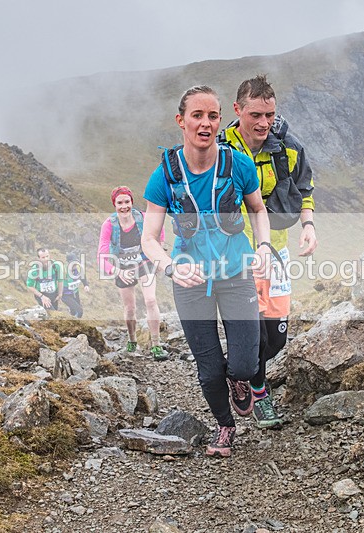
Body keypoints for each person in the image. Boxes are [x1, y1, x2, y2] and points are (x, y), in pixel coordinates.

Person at [141, 85, 272, 458]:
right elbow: (150, 239)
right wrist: (169, 267)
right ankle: (225, 427)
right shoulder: (164, 176)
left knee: (245, 362)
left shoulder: (238, 165)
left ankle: (240, 380)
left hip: (236, 273)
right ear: (181, 121)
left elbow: (258, 211)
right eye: (197, 116)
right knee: (209, 368)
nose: (206, 123)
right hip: (190, 281)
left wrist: (263, 247)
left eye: (213, 116)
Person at [218, 74, 317, 430]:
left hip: (275, 252)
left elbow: (304, 188)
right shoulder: (220, 149)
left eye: (269, 115)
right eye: (256, 115)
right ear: (237, 110)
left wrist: (308, 225)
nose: (263, 123)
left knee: (276, 338)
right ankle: (258, 390)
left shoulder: (286, 146)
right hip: (233, 256)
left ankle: (242, 371)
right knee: (253, 332)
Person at [98, 186, 167, 361]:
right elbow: (102, 255)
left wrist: (160, 256)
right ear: (114, 204)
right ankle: (132, 340)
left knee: (151, 300)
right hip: (122, 267)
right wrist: (117, 271)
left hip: (145, 262)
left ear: (132, 202)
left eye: (127, 202)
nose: (124, 206)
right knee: (130, 308)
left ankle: (156, 345)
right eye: (119, 203)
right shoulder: (109, 225)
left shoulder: (143, 218)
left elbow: (159, 233)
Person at [26, 248, 63, 312]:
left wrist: (60, 293)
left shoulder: (56, 266)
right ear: (39, 258)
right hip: (41, 294)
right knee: (52, 313)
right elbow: (30, 286)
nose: (46, 259)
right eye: (43, 257)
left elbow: (60, 280)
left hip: (54, 294)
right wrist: (42, 296)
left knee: (55, 312)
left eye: (47, 256)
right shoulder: (34, 270)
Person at [60, 251, 90, 318]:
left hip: (75, 293)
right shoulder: (63, 270)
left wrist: (86, 285)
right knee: (79, 311)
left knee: (73, 312)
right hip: (65, 295)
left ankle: (71, 319)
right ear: (68, 262)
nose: (74, 265)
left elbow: (82, 276)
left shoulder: (78, 267)